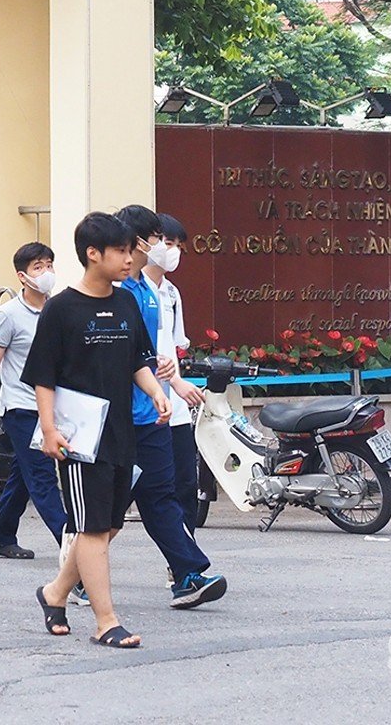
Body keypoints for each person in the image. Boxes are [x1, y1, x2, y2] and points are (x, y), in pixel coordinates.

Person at [29, 212, 174, 649]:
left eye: (132, 251)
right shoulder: (61, 308)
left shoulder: (127, 302)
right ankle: (105, 620)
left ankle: (54, 593)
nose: (131, 259)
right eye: (123, 251)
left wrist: (156, 392)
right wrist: (50, 430)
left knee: (109, 526)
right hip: (79, 437)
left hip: (121, 430)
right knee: (91, 528)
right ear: (94, 254)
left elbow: (136, 360)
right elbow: (43, 376)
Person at [113, 204, 226, 610]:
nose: (164, 246)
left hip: (152, 414)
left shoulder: (150, 292)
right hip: (117, 418)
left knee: (162, 496)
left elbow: (151, 353)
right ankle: (68, 580)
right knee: (108, 512)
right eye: (159, 238)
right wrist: (167, 383)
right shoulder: (116, 293)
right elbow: (125, 357)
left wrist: (167, 383)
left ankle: (186, 575)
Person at [0, 242, 67, 559]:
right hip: (22, 408)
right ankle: (74, 546)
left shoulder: (59, 310)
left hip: (53, 407)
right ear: (22, 276)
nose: (46, 272)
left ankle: (0, 536)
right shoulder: (7, 315)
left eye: (49, 264)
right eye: (38, 267)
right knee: (42, 477)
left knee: (24, 475)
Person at [150, 213, 206, 530]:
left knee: (185, 485)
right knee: (121, 495)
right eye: (167, 243)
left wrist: (177, 382)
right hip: (142, 408)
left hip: (175, 408)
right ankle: (75, 567)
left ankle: (186, 565)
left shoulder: (171, 294)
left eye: (178, 246)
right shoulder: (130, 292)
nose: (173, 252)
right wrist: (174, 381)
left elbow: (173, 347)